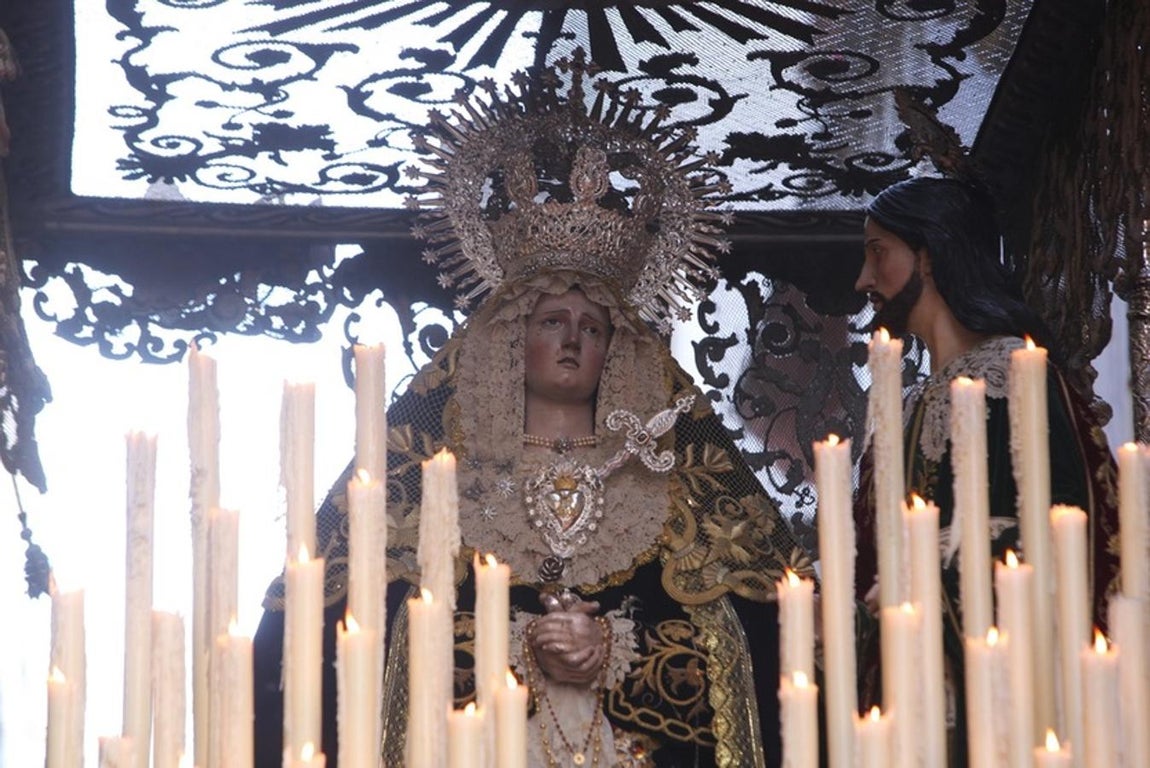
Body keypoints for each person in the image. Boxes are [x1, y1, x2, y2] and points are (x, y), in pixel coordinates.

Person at [252, 50, 813, 768]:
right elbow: (323, 634)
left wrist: (611, 652)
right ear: (509, 340)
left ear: (622, 349)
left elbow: (769, 637)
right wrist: (513, 650)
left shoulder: (671, 487)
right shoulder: (434, 482)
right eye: (552, 322)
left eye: (594, 327)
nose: (574, 339)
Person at [850, 176, 1121, 763]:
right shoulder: (912, 404)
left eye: (878, 253)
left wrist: (928, 572)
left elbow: (1075, 535)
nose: (863, 280)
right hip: (912, 702)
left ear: (927, 255)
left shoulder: (1018, 378)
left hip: (1007, 704)